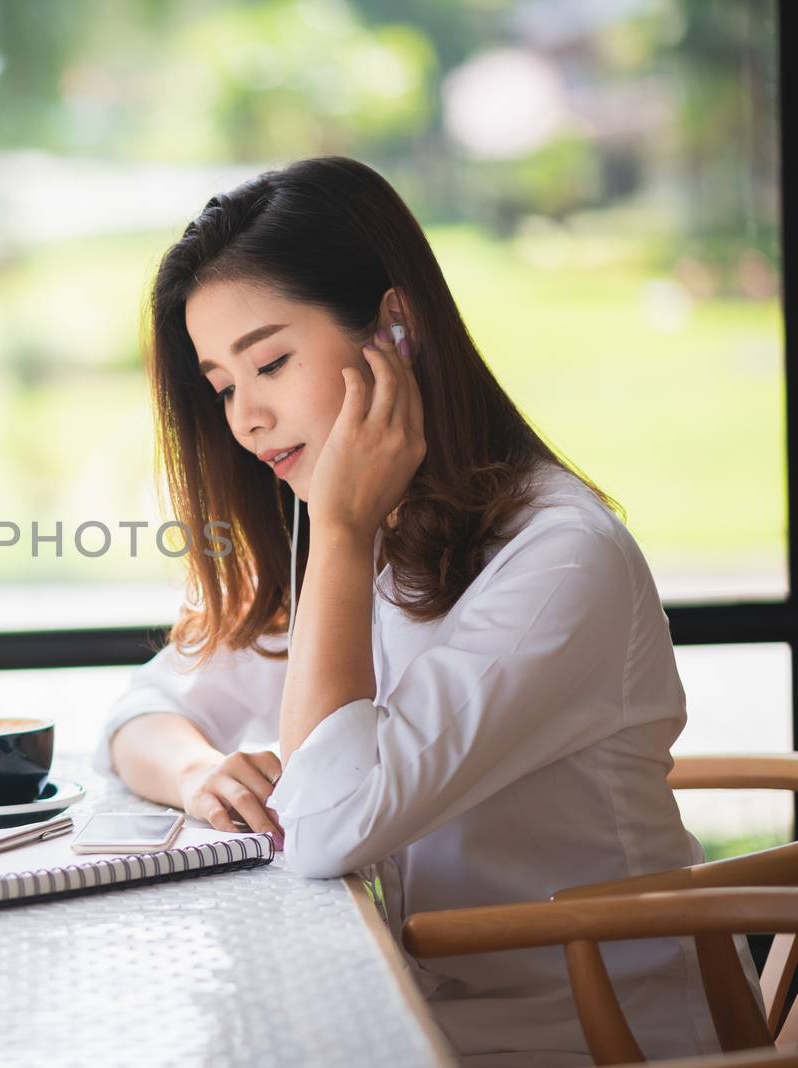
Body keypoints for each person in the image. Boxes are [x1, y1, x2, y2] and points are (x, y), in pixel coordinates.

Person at [92, 156, 749, 1065]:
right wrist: (203, 773)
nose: (246, 420)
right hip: (407, 1004)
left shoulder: (556, 557)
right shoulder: (363, 528)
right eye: (223, 387)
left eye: (271, 362)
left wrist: (343, 529)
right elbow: (143, 714)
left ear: (394, 330)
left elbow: (326, 826)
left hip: (572, 1034)